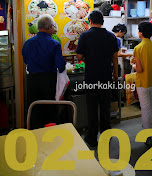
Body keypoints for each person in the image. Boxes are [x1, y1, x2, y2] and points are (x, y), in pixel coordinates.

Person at [76, 10, 119, 147]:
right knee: (105, 107)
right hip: (106, 77)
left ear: (90, 21)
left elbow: (79, 57)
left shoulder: (85, 36)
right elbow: (115, 57)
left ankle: (92, 137)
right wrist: (116, 74)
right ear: (103, 22)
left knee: (92, 108)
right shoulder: (111, 36)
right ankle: (106, 135)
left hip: (92, 78)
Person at [22, 14, 66, 129]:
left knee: (34, 108)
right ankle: (51, 136)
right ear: (50, 27)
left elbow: (25, 60)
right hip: (48, 80)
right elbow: (60, 66)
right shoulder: (54, 44)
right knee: (49, 109)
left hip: (32, 80)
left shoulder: (28, 43)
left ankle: (35, 135)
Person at [130, 21, 152, 145]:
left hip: (143, 82)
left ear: (141, 32)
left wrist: (132, 64)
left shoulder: (138, 48)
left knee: (145, 108)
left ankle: (147, 135)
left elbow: (140, 69)